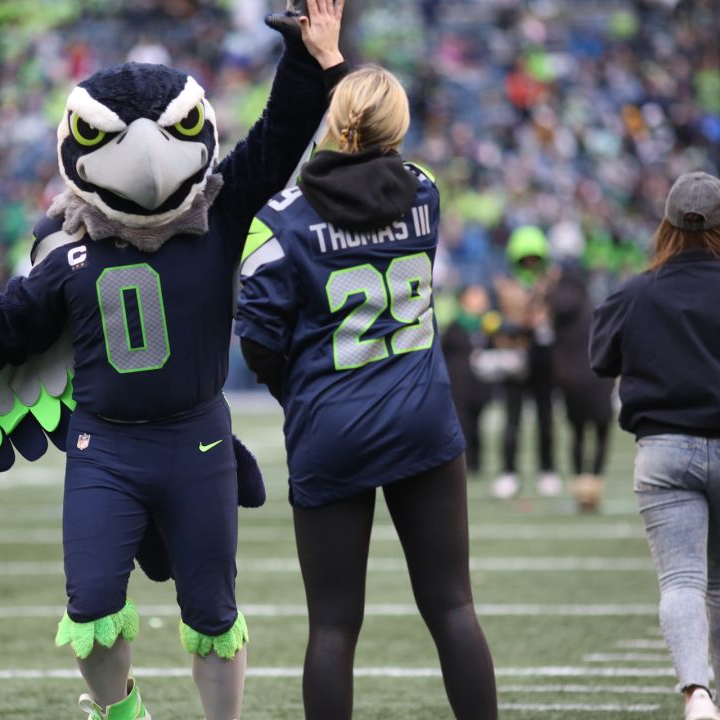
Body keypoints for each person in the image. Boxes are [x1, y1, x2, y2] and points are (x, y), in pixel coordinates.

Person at [0, 3, 348, 719]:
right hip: (107, 448)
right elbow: (3, 324)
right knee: (92, 605)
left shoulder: (216, 218)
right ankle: (122, 715)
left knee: (213, 614)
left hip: (197, 441)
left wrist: (304, 57)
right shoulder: (71, 251)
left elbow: (278, 138)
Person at [236, 65, 499, 719]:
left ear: (332, 122)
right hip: (422, 417)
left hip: (332, 426)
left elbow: (258, 342)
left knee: (332, 626)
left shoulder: (278, 221)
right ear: (397, 128)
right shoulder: (425, 194)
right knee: (453, 605)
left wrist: (303, 393)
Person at [589, 172, 720, 720]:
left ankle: (695, 694)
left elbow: (600, 358)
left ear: (669, 223)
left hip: (664, 450)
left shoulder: (635, 290)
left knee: (682, 579)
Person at [489, 226, 561, 499]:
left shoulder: (551, 282)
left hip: (543, 359)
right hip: (514, 358)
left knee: (546, 418)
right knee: (512, 419)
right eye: (525, 258)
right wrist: (515, 326)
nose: (530, 263)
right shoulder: (502, 284)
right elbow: (491, 321)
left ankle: (548, 470)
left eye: (534, 258)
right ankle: (508, 472)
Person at [546, 262, 614, 512]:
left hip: (570, 381)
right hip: (598, 378)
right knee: (601, 434)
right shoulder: (595, 304)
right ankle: (593, 488)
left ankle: (579, 488)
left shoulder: (555, 304)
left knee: (576, 434)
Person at [440, 285, 497, 477]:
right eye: (476, 296)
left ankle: (476, 464)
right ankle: (463, 464)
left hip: (480, 387)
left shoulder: (488, 325)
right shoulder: (455, 327)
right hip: (459, 386)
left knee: (478, 428)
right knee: (463, 427)